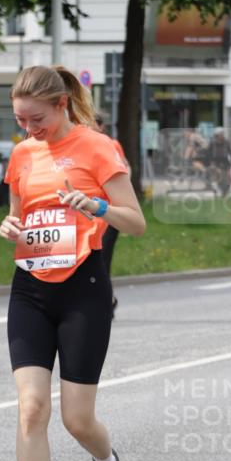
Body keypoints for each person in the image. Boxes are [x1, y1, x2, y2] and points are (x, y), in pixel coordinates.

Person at [0, 65, 146, 461]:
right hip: (30, 291)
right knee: (31, 407)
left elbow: (137, 222)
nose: (29, 130)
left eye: (36, 119)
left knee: (77, 420)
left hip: (83, 288)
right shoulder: (22, 155)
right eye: (21, 120)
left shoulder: (96, 147)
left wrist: (96, 208)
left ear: (61, 105)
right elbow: (20, 216)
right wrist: (11, 229)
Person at [94, 112, 128, 317]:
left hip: (109, 213)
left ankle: (106, 303)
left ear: (100, 125)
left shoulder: (110, 144)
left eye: (92, 123)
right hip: (88, 215)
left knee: (102, 259)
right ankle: (107, 300)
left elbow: (124, 171)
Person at [206, 127, 231, 196]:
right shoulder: (212, 143)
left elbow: (230, 152)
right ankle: (215, 188)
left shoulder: (226, 142)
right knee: (218, 174)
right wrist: (211, 163)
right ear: (217, 135)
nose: (222, 135)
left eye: (222, 134)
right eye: (220, 134)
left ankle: (226, 190)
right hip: (215, 161)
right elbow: (208, 153)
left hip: (225, 161)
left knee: (229, 176)